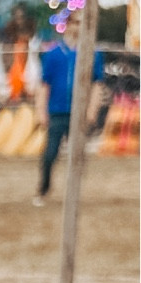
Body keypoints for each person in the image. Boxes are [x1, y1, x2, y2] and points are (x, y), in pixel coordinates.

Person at [33, 21, 104, 207]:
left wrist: (92, 109)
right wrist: (40, 110)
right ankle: (44, 188)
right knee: (50, 153)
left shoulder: (92, 53)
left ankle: (74, 191)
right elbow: (44, 84)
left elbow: (97, 84)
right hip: (57, 111)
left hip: (79, 112)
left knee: (78, 154)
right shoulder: (53, 54)